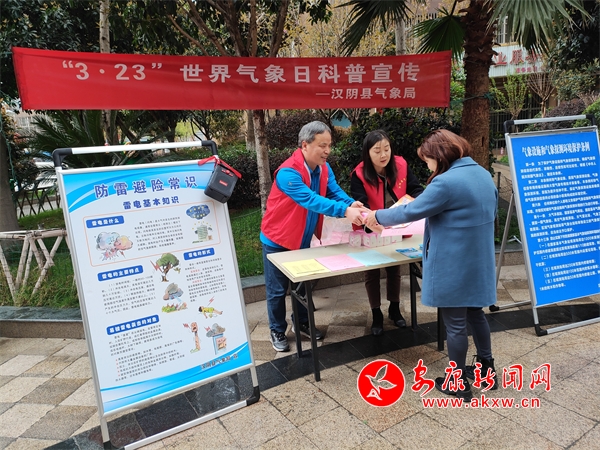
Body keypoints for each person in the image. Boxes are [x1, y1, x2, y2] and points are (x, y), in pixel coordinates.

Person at [365, 129, 498, 400]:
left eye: (427, 160)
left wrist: (376, 216)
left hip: (454, 263)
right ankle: (487, 370)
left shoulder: (446, 183)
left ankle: (457, 382)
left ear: (439, 155)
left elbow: (410, 211)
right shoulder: (483, 174)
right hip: (479, 260)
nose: (427, 165)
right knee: (476, 314)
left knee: (455, 324)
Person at [261, 121, 368, 352]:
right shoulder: (288, 173)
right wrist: (344, 211)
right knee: (277, 291)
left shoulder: (323, 168)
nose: (327, 150)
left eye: (329, 145)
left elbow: (333, 191)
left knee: (302, 286)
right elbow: (311, 200)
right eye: (322, 145)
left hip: (302, 239)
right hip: (277, 240)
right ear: (305, 145)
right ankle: (277, 330)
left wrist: (351, 204)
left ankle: (301, 323)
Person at [351, 130, 424, 336]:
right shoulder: (359, 174)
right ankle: (376, 313)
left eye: (386, 149)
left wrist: (417, 203)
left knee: (394, 268)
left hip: (397, 225)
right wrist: (373, 222)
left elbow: (416, 189)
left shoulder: (401, 165)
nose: (383, 155)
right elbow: (360, 205)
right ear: (367, 153)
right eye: (377, 151)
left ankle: (394, 308)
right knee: (372, 271)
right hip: (371, 228)